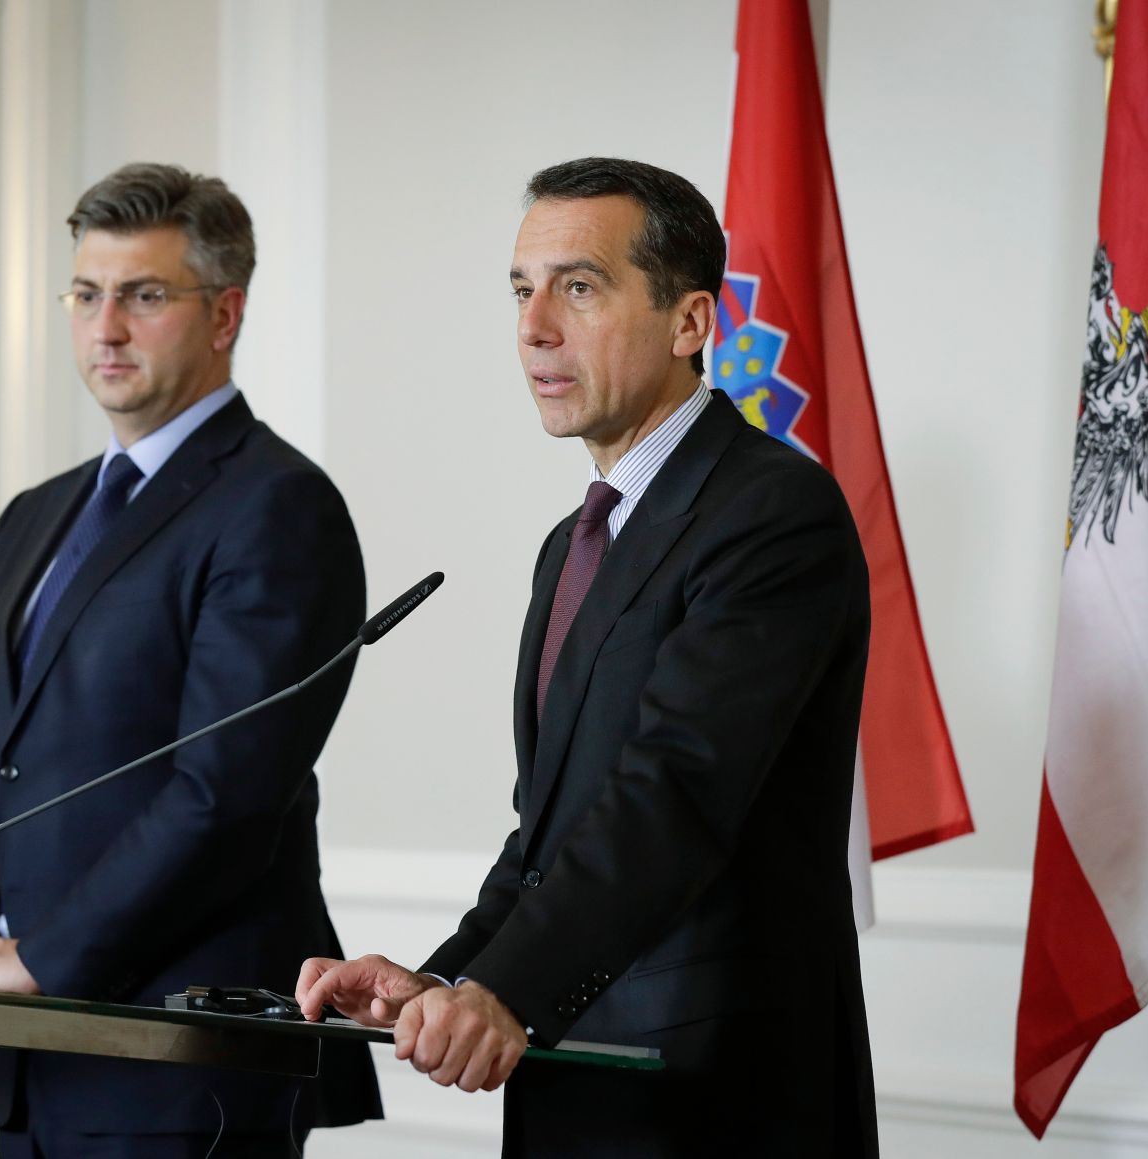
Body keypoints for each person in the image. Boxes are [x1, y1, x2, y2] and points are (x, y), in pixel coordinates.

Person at [296, 157, 878, 1157]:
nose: (531, 329)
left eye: (578, 287)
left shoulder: (770, 511)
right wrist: (442, 982)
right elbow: (551, 831)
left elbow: (673, 792)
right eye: (521, 291)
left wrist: (506, 988)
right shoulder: (569, 542)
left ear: (689, 323)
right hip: (575, 1076)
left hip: (715, 1094)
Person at [0, 162, 381, 1158]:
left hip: (181, 1051)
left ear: (224, 314)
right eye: (85, 294)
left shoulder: (275, 505)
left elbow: (223, 795)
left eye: (143, 295)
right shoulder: (34, 514)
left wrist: (43, 957)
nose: (104, 326)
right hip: (28, 1044)